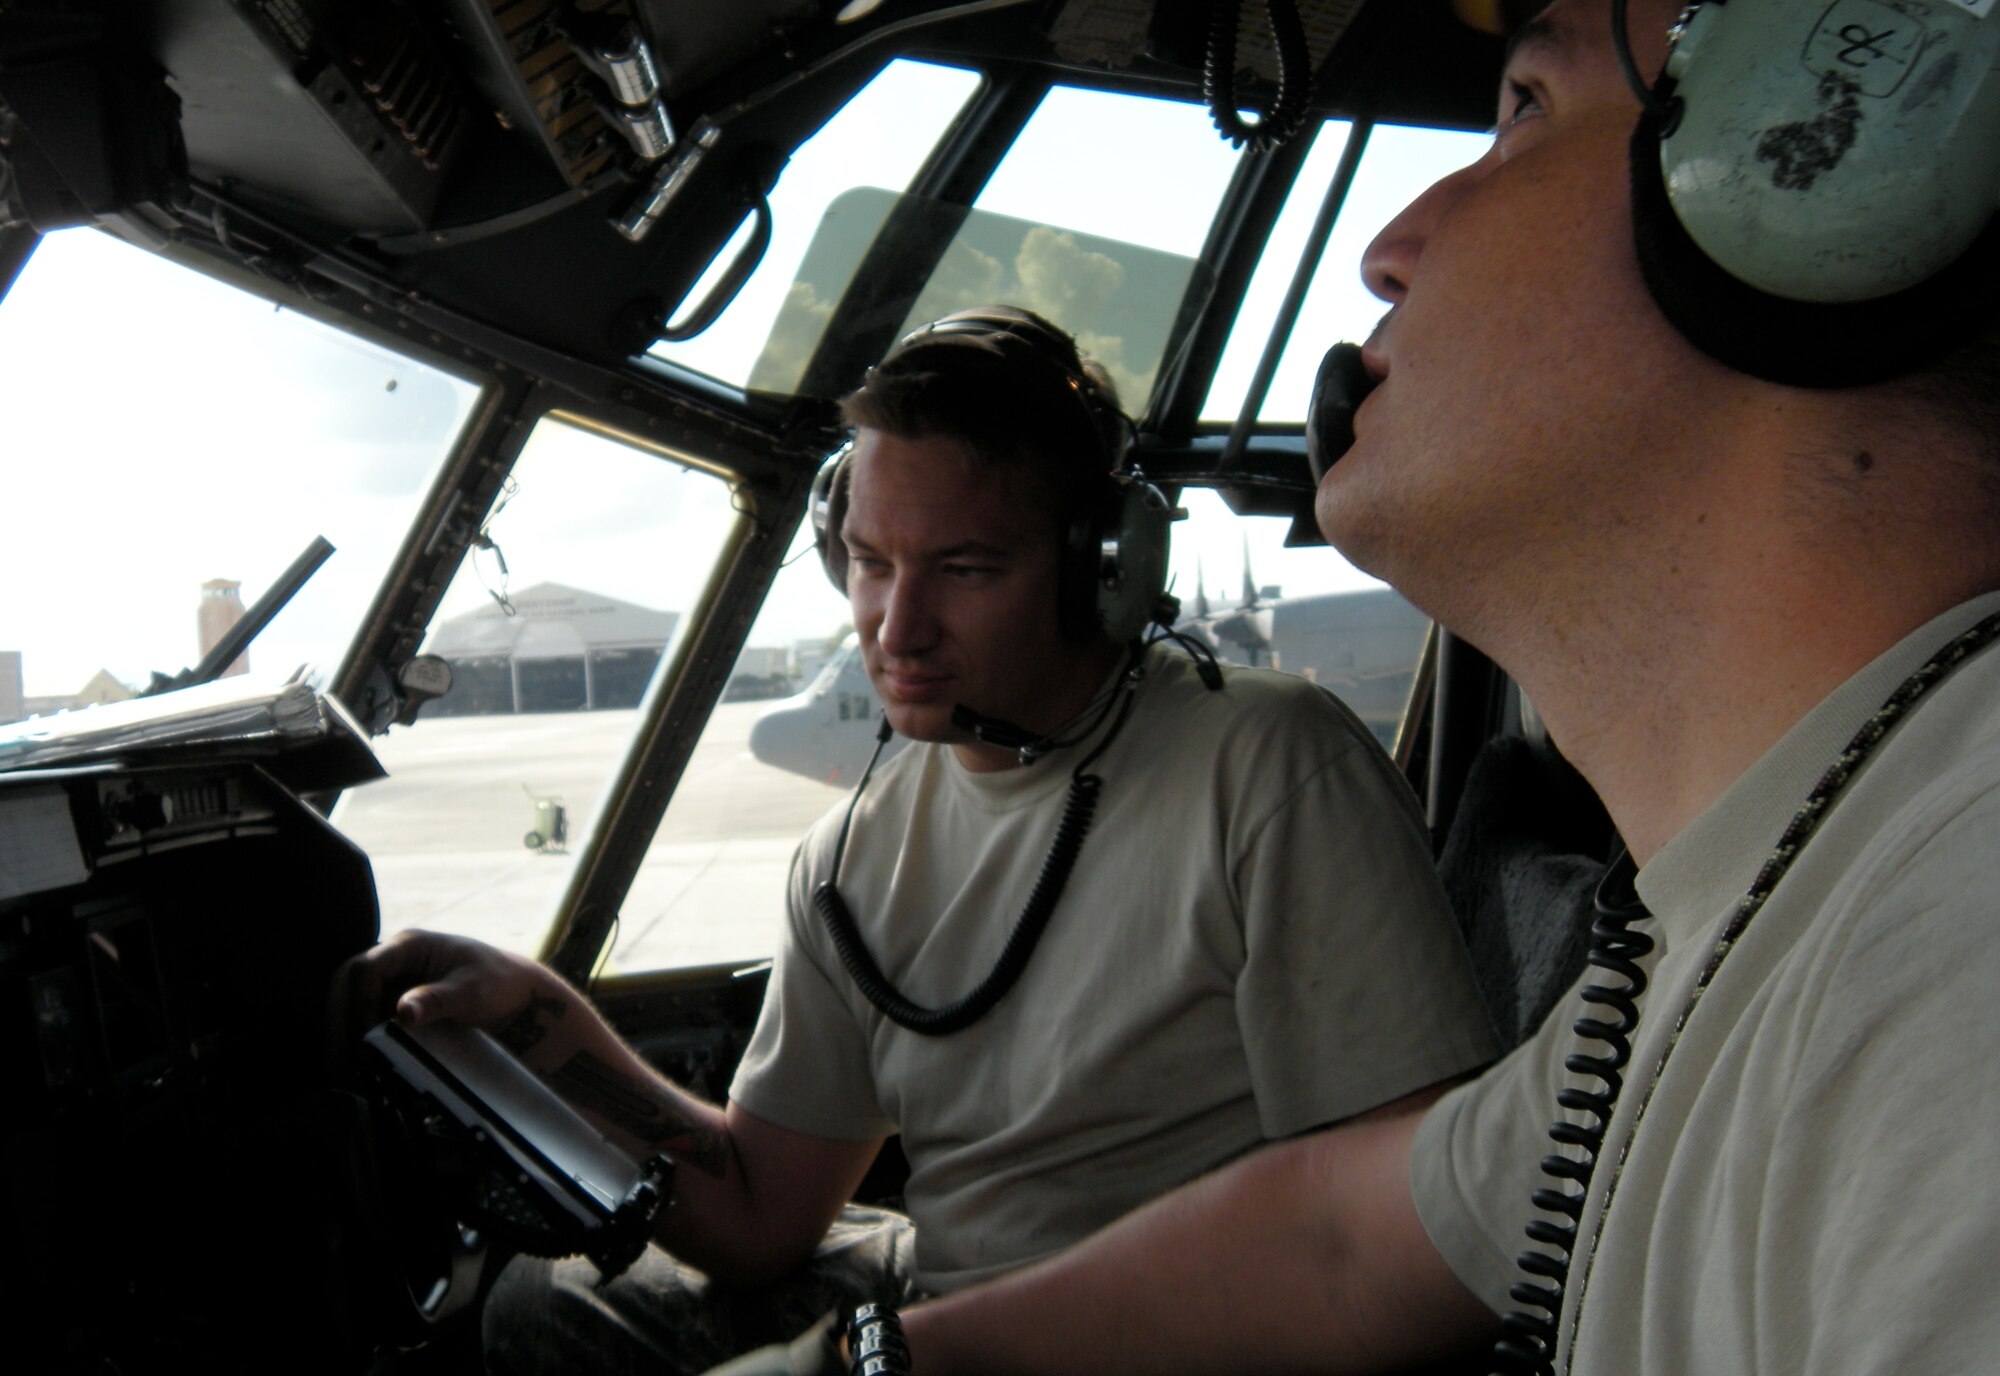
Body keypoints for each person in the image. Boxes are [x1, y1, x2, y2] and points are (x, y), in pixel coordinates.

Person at [706, 3, 2000, 1373]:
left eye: (1523, 115)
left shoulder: (1954, 950)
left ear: (1819, 187)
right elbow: (1335, 1243)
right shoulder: (1756, 919)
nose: (1386, 250)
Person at [343, 306, 1498, 1375]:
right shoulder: (852, 857)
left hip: (1183, 1329)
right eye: (871, 561)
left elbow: (1414, 1227)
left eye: (963, 568)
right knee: (535, 1303)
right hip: (946, 1286)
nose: (896, 628)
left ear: (1104, 564)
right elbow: (757, 1214)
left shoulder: (1265, 766)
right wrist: (542, 1022)